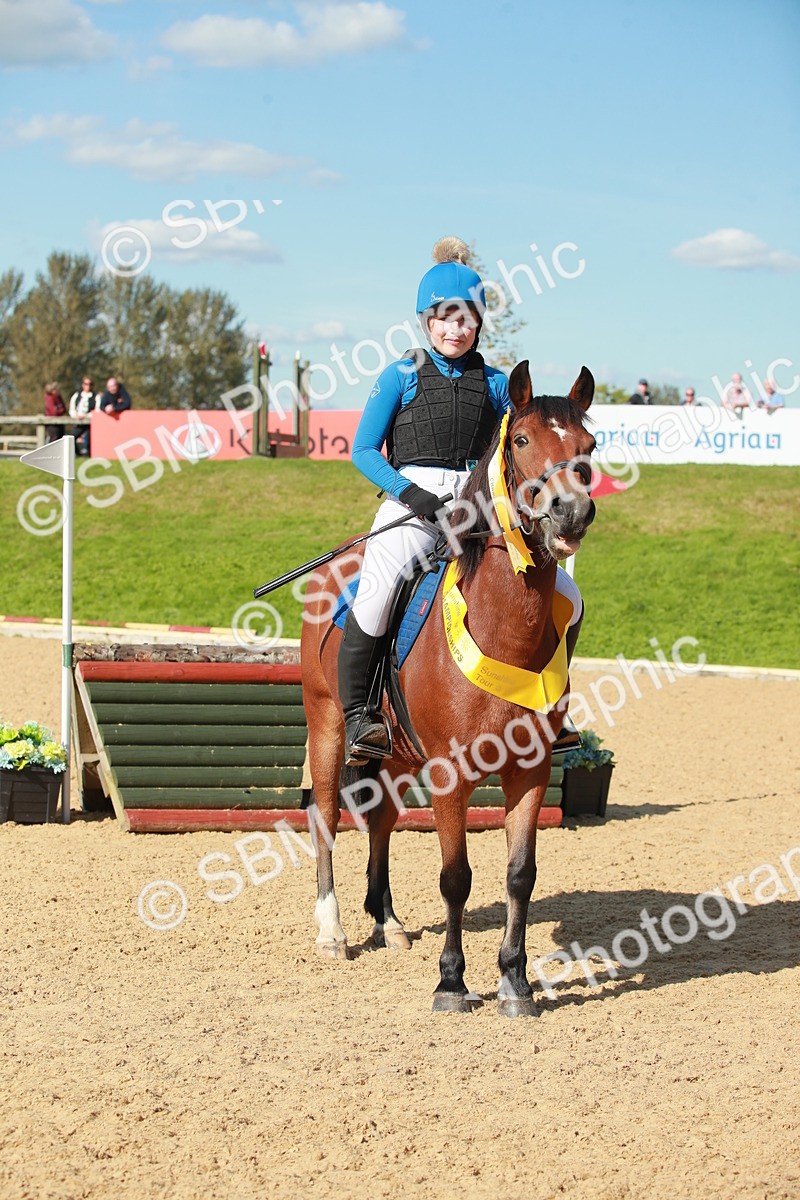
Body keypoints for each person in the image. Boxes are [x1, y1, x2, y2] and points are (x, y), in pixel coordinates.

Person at [338, 237, 584, 765]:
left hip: (481, 510)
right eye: (445, 319)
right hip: (410, 505)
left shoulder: (497, 385)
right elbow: (362, 450)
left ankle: (554, 709)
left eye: (466, 319)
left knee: (568, 596)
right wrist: (414, 495)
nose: (456, 329)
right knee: (377, 594)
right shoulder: (399, 375)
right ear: (427, 322)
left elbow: (524, 438)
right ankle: (361, 718)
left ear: (478, 324)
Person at [69, 375, 97, 456]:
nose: (88, 386)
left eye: (90, 384)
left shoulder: (96, 396)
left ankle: (88, 457)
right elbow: (72, 409)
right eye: (86, 384)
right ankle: (78, 455)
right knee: (72, 438)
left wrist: (85, 416)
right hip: (78, 423)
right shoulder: (77, 395)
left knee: (89, 441)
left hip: (90, 424)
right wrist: (76, 415)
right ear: (83, 385)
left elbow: (97, 411)